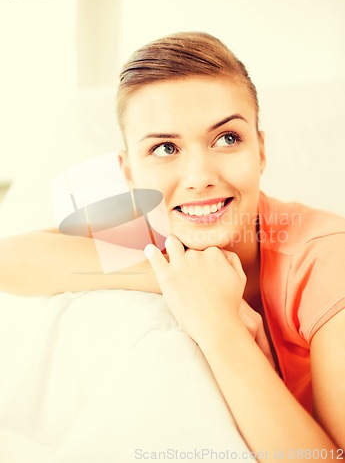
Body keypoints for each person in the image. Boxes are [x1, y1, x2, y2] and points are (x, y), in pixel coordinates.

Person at [1, 32, 345, 460]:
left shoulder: (328, 260)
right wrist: (172, 277)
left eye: (227, 139)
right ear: (129, 173)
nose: (199, 176)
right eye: (165, 148)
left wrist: (219, 323)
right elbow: (10, 260)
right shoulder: (152, 224)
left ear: (261, 151)